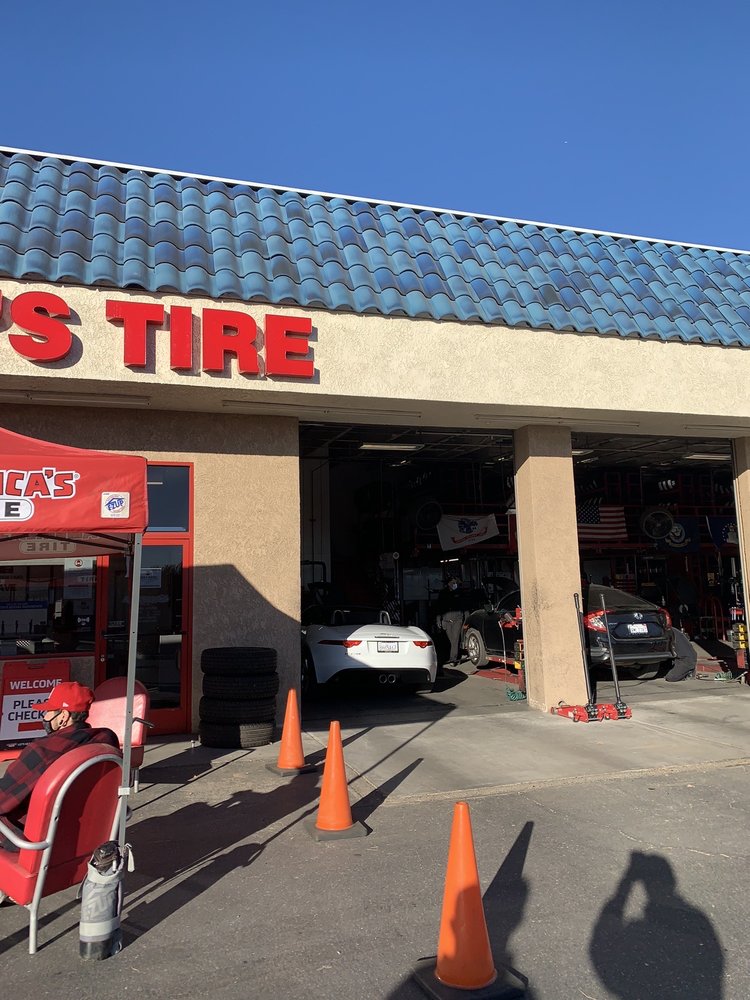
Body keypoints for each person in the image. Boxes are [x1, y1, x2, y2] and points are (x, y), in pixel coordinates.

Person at [0, 681, 119, 847]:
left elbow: (4, 797)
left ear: (63, 716)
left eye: (48, 711)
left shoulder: (43, 750)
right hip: (85, 835)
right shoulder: (106, 740)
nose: (44, 717)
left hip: (35, 839)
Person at [435, 576, 466, 666]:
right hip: (446, 620)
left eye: (455, 583)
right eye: (452, 583)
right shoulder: (443, 593)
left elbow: (465, 607)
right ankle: (457, 655)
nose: (454, 584)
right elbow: (439, 607)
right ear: (448, 583)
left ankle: (453, 659)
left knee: (455, 639)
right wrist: (438, 620)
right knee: (451, 640)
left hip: (457, 619)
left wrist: (465, 619)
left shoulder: (460, 593)